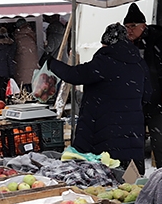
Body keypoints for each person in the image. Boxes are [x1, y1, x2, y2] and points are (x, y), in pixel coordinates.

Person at [46, 23, 150, 174]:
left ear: (106, 43)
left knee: (105, 176)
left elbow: (74, 75)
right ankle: (135, 190)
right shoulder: (139, 63)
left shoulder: (105, 61)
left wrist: (51, 63)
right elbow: (147, 95)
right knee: (130, 182)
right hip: (133, 131)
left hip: (105, 130)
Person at [123, 3, 162, 169]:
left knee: (160, 145)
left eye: (133, 26)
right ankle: (135, 182)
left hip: (158, 102)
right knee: (133, 146)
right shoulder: (123, 45)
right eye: (126, 27)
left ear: (143, 26)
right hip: (133, 105)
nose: (129, 30)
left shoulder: (160, 41)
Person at [12, 17, 39, 93]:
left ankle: (25, 95)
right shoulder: (31, 34)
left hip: (21, 63)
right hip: (32, 63)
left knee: (23, 81)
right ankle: (32, 94)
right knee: (30, 80)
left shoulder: (18, 37)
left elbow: (16, 51)